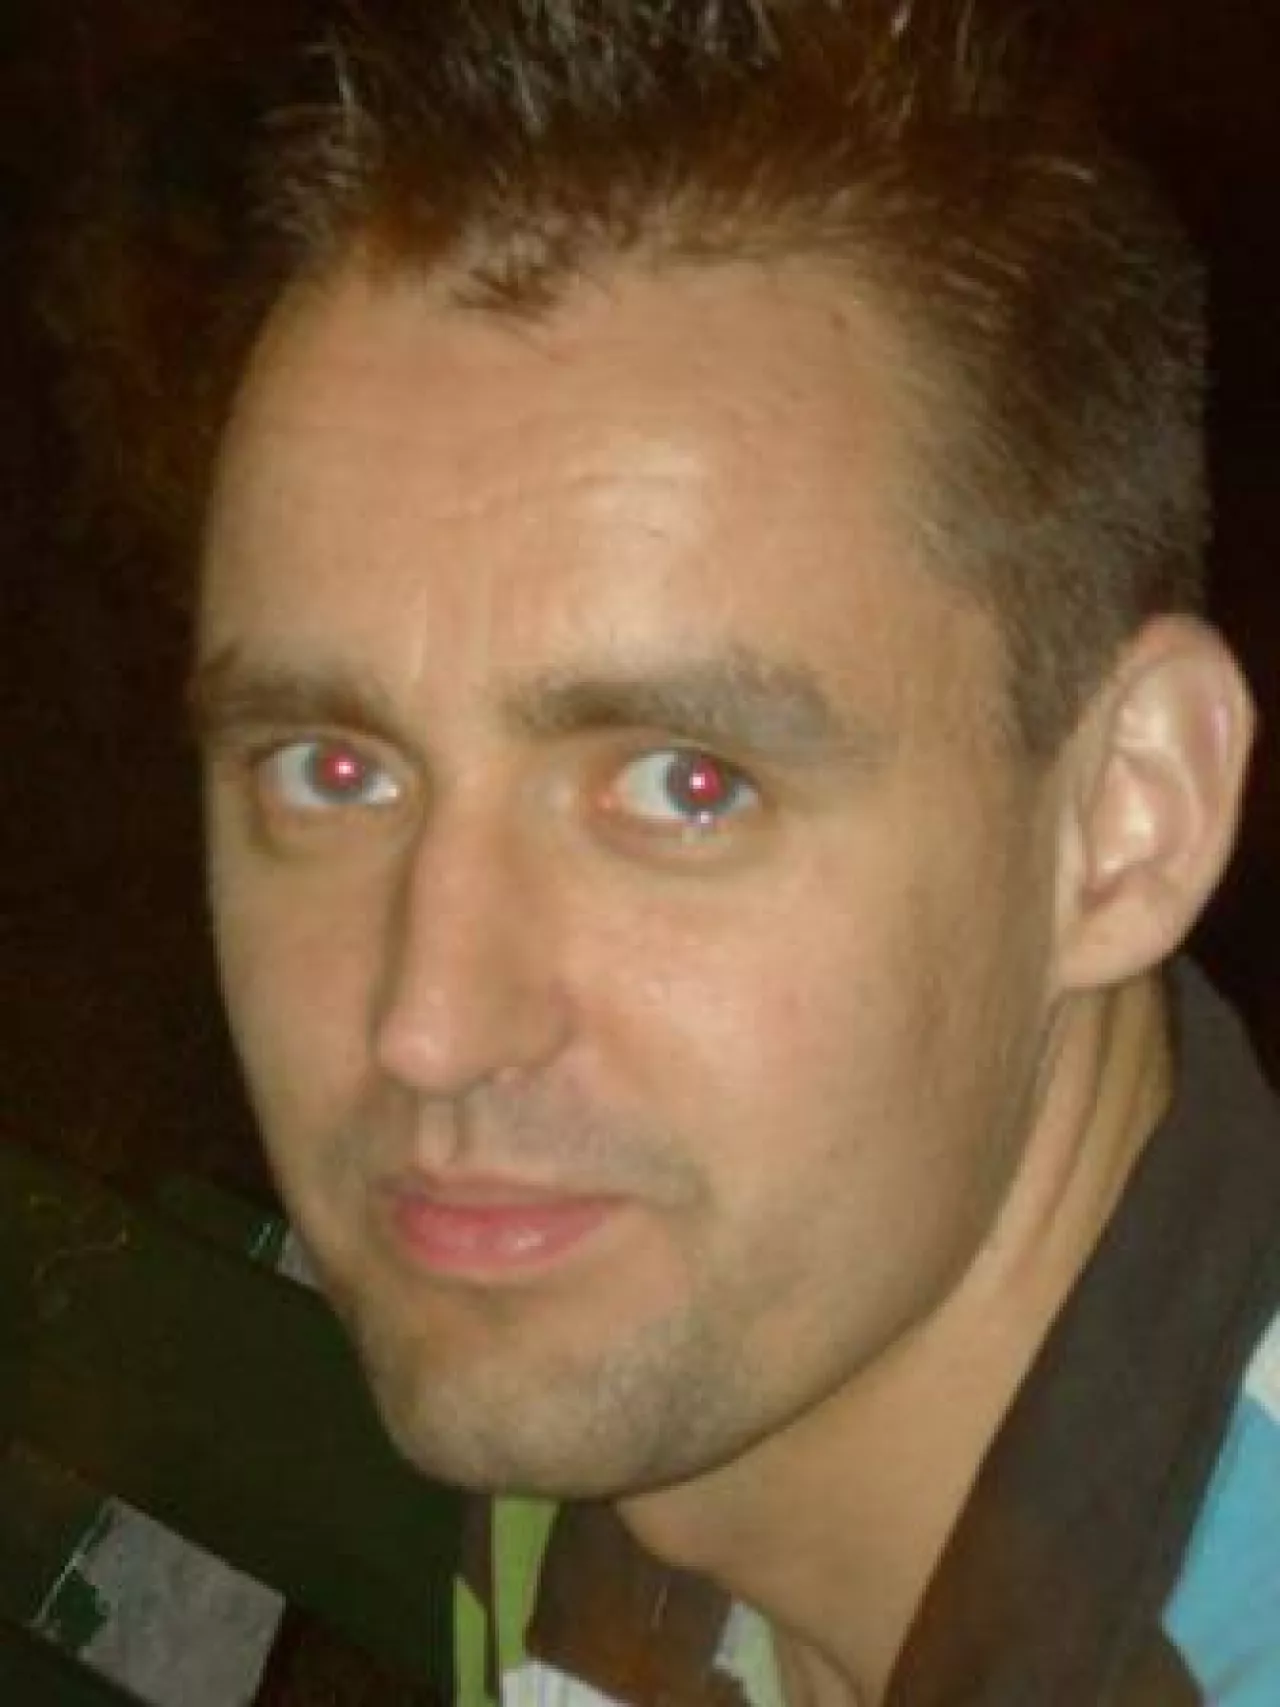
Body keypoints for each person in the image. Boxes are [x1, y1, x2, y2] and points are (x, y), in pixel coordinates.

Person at [171, 2, 1280, 1702]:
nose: (430, 1026)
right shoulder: (618, 1419)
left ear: (1125, 815)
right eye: (332, 771)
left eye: (686, 785)